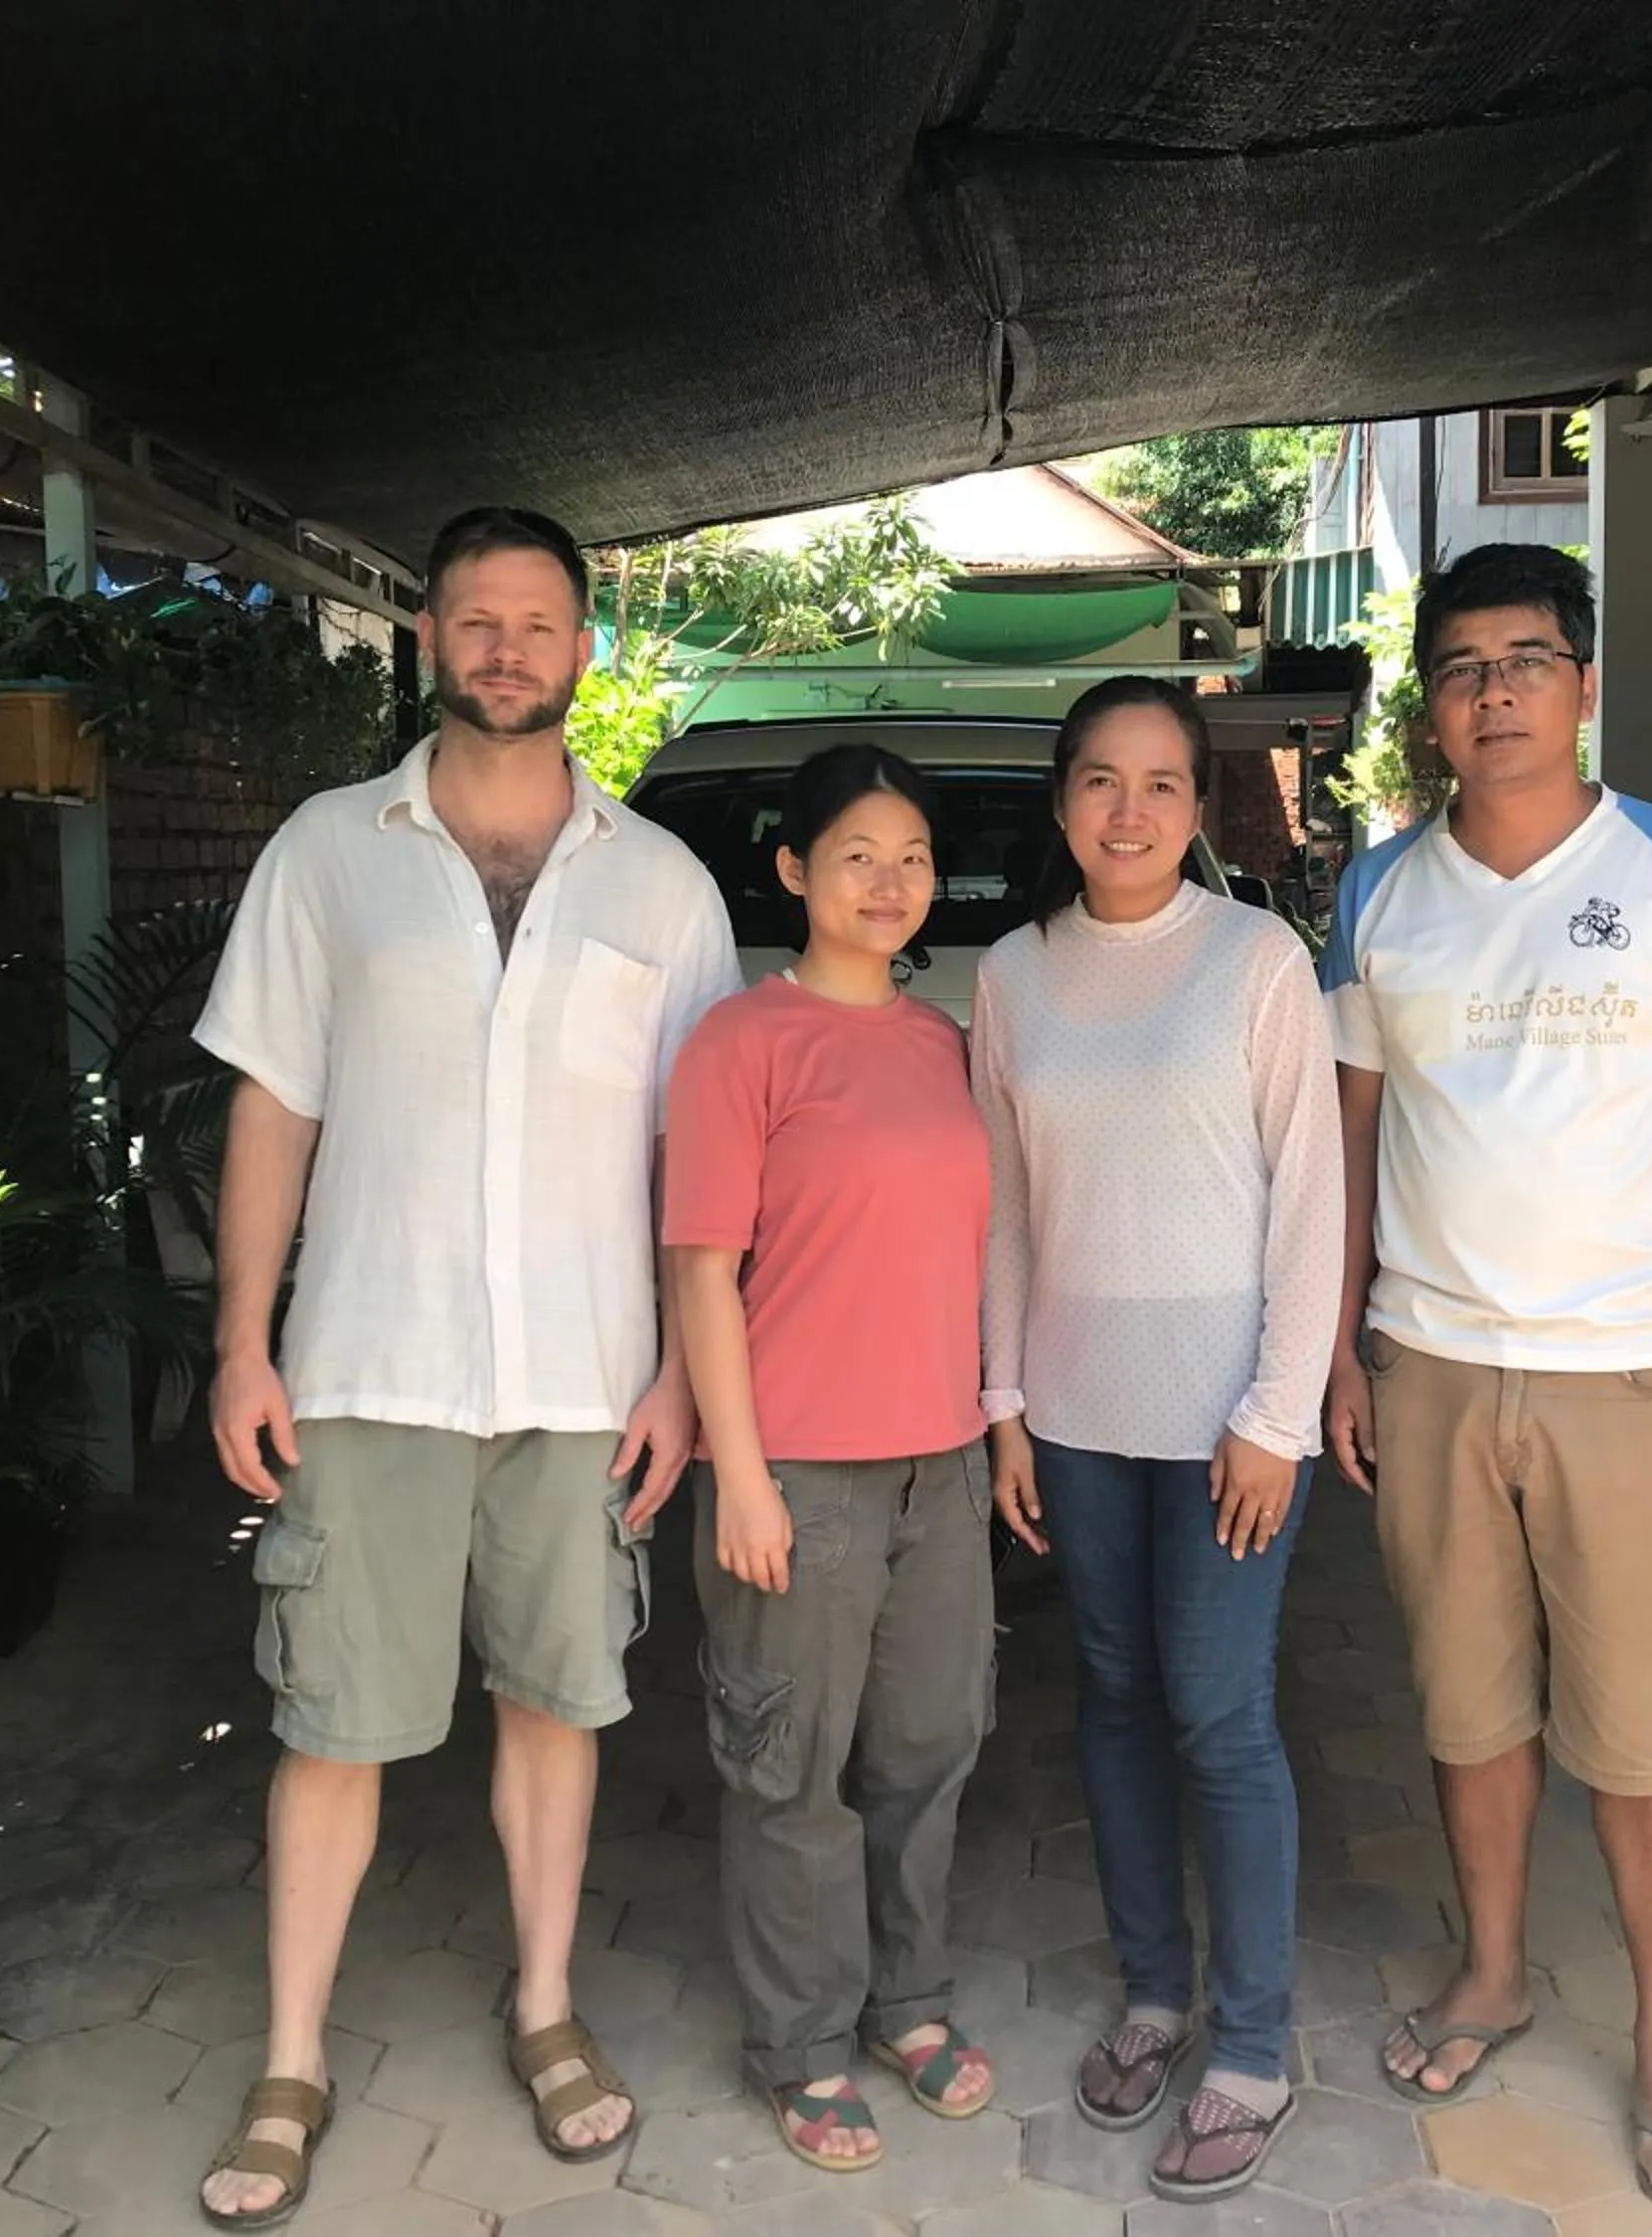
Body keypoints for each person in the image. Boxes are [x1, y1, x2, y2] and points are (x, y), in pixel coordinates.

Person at [192, 506, 741, 2227]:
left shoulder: (662, 884)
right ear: (431, 637)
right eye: (478, 620)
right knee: (332, 1720)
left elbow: (698, 1166)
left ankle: (545, 2004)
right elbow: (273, 1102)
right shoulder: (327, 852)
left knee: (557, 1704)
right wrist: (237, 1341)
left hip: (586, 1377)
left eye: (540, 622)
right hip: (372, 1361)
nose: (509, 648)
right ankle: (292, 2056)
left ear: (586, 650)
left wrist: (678, 1379)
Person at [1319, 544, 1652, 2213]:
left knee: (1651, 1735)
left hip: (1633, 1370)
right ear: (1431, 706)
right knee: (1467, 1704)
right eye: (1459, 665)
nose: (1493, 690)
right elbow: (1355, 1129)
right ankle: (1495, 1969)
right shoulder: (1376, 893)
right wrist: (1339, 1344)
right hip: (1433, 1362)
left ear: (1585, 683)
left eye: (1526, 659)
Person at [977, 678, 1343, 2204]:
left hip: (1227, 1421)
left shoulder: (1258, 960)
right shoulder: (1009, 972)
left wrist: (1278, 1411)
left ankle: (1252, 2042)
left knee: (1217, 1707)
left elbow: (1315, 1196)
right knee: (1115, 1695)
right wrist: (1002, 1400)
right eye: (1102, 782)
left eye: (1163, 785)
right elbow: (1001, 1203)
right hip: (1072, 1408)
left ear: (1200, 809)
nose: (1129, 811)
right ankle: (1153, 1990)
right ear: (1062, 801)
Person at [663, 744, 1001, 2173]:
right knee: (789, 1769)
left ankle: (907, 2003)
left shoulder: (942, 1039)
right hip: (795, 1466)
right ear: (794, 869)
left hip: (941, 1463)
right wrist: (737, 1476)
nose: (890, 879)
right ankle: (801, 2038)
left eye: (913, 855)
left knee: (931, 1744)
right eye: (857, 852)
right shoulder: (743, 1042)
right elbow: (699, 1269)